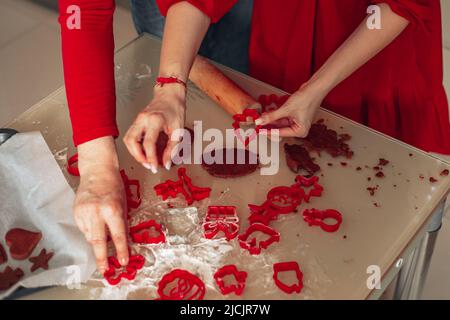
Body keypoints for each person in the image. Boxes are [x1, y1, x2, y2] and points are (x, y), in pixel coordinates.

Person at [58, 0, 450, 273]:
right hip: (286, 44)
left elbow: (405, 5)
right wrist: (169, 87)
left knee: (385, 231)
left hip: (374, 64)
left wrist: (314, 92)